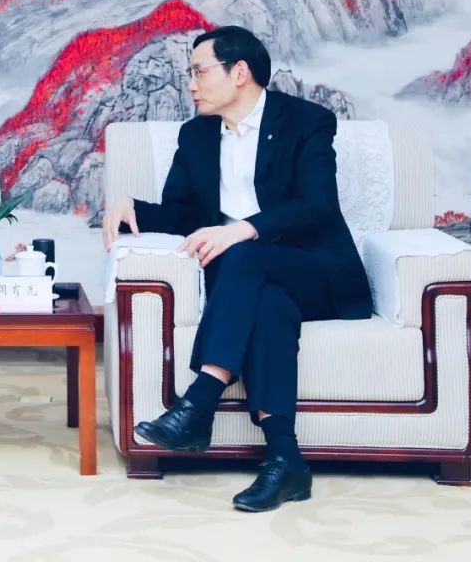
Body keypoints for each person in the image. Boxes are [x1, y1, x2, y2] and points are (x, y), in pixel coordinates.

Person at [102, 26, 371, 512]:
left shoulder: (306, 121)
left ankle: (199, 401)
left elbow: (318, 206)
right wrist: (132, 208)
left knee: (244, 254)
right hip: (252, 284)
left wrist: (244, 229)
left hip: (318, 273)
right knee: (268, 306)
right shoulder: (196, 135)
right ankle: (285, 461)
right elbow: (184, 215)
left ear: (240, 72)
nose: (191, 84)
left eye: (200, 72)